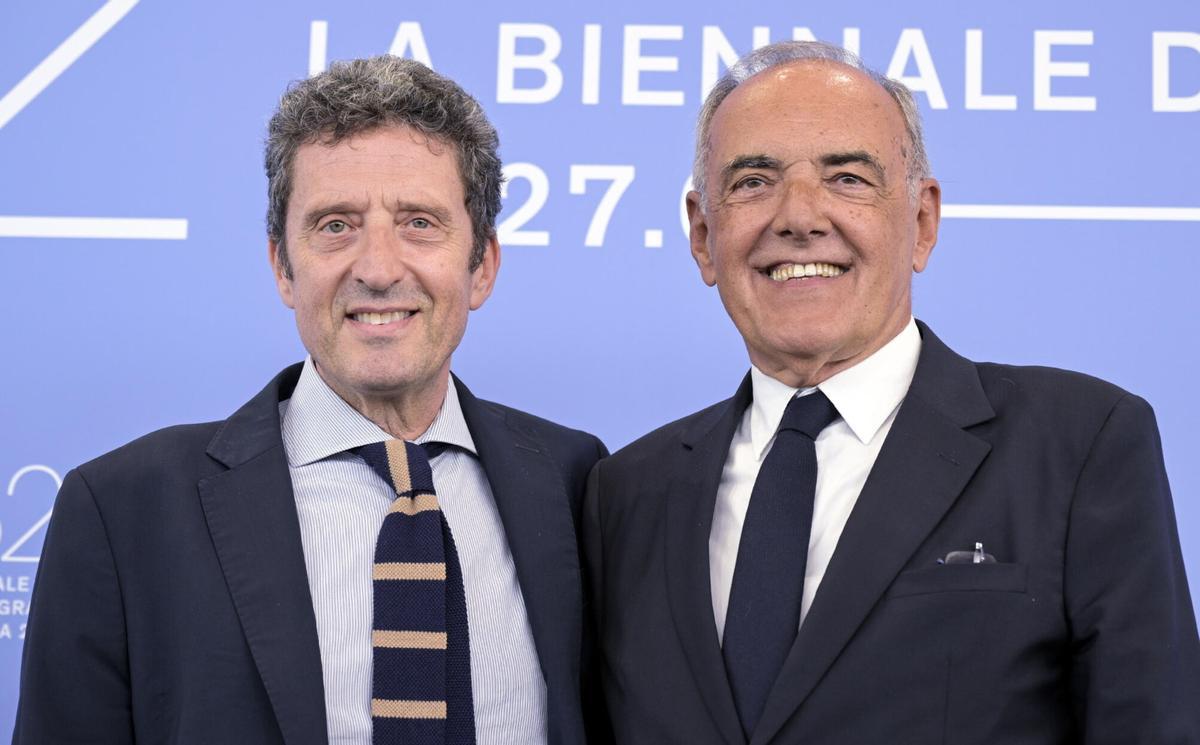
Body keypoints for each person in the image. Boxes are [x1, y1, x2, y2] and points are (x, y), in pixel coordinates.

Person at [583, 40, 1200, 744]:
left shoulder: (1081, 443)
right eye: (753, 181)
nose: (800, 216)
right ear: (702, 234)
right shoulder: (623, 493)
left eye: (847, 177)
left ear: (921, 222)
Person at [14, 56, 606, 745]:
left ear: (482, 266)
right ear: (281, 266)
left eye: (419, 222)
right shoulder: (122, 511)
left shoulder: (580, 485)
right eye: (334, 225)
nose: (379, 267)